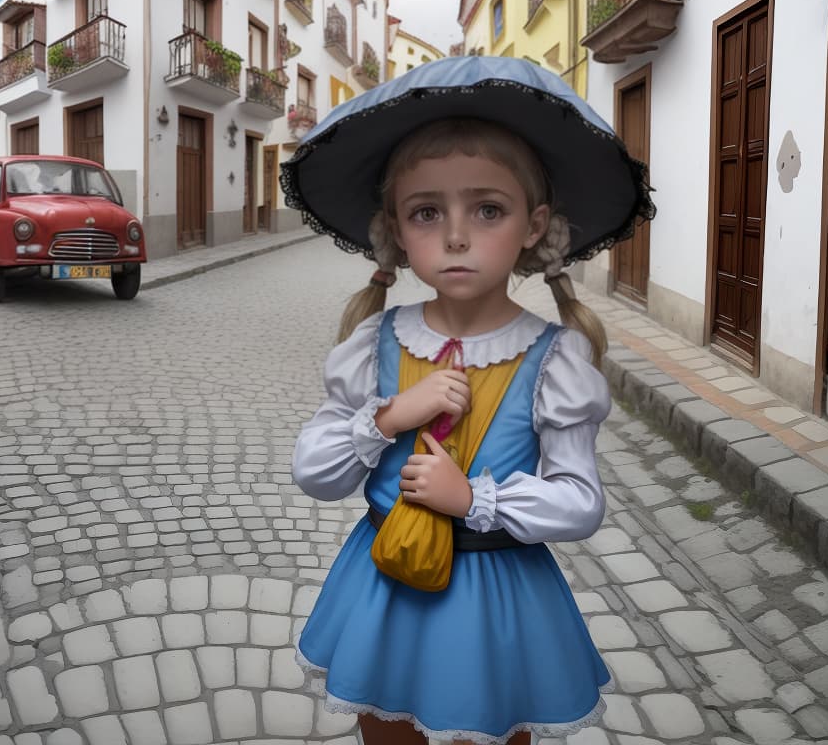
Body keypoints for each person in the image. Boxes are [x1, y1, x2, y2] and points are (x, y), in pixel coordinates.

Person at [281, 56, 655, 745]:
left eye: (488, 209)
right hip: (385, 586)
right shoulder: (377, 341)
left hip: (494, 597)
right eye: (427, 212)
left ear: (534, 225)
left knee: (486, 728)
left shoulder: (554, 356)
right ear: (395, 228)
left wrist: (473, 500)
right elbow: (315, 471)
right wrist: (392, 415)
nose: (456, 235)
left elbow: (579, 501)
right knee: (385, 730)